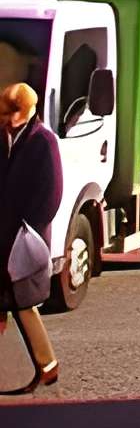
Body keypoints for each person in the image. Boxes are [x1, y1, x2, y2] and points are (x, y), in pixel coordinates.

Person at [1, 82, 61, 394]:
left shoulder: (43, 141)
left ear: (27, 111)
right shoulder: (5, 136)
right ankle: (42, 367)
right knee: (8, 301)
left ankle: (47, 366)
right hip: (3, 234)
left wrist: (29, 229)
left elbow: (52, 194)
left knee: (23, 304)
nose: (8, 119)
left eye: (14, 112)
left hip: (24, 239)